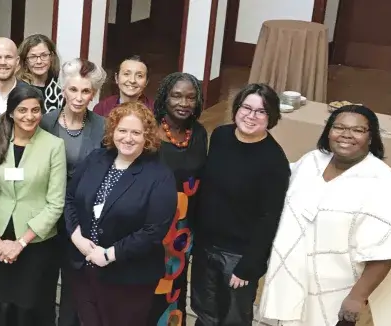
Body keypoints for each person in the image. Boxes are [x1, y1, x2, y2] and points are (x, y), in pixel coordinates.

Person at [260, 105, 391, 326]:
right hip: (292, 280)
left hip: (336, 293)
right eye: (339, 127)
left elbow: (385, 251)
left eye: (358, 130)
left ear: (371, 137)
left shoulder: (382, 183)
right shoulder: (312, 161)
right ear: (328, 131)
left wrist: (357, 298)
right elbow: (278, 184)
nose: (346, 135)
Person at [64, 102, 176, 326]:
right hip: (84, 268)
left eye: (136, 132)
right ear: (112, 131)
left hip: (129, 278)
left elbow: (153, 230)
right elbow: (70, 199)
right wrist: (77, 237)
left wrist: (108, 255)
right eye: (122, 130)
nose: (128, 138)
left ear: (147, 137)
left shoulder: (159, 176)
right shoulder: (96, 158)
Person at [191, 83, 290, 325]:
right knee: (204, 312)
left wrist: (250, 264)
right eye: (246, 107)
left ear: (272, 117)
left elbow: (270, 217)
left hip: (238, 255)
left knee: (233, 318)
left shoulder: (274, 161)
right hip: (205, 245)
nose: (251, 116)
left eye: (261, 111)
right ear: (236, 108)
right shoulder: (221, 136)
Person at [0, 85, 66, 325]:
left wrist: (21, 243)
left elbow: (56, 203)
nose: (29, 116)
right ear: (11, 113)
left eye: (35, 110)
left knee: (27, 308)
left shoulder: (53, 146)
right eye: (22, 110)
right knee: (0, 307)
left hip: (34, 241)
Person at [38, 58, 107, 326]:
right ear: (63, 90)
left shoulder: (102, 127)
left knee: (74, 281)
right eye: (73, 90)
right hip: (46, 213)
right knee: (43, 278)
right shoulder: (45, 123)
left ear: (94, 93)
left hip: (82, 217)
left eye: (86, 91)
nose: (79, 97)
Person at [148, 72, 208, 326]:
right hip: (152, 228)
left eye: (190, 97)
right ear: (164, 98)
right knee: (149, 292)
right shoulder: (150, 130)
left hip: (183, 233)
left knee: (175, 290)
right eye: (177, 96)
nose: (184, 103)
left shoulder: (199, 134)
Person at [17, 34, 63, 113]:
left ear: (51, 57)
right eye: (33, 57)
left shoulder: (60, 87)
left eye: (44, 55)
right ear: (25, 61)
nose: (39, 61)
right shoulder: (17, 88)